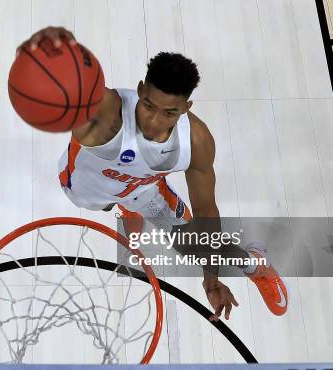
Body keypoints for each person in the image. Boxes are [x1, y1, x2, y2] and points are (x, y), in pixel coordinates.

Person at [17, 27, 288, 320]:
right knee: (100, 201)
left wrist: (211, 277)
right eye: (148, 106)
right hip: (83, 186)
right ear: (140, 90)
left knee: (197, 247)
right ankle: (122, 204)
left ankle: (256, 265)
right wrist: (47, 51)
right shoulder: (106, 116)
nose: (154, 120)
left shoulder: (196, 142)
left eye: (169, 113)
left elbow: (207, 212)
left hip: (143, 191)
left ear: (186, 108)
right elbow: (68, 86)